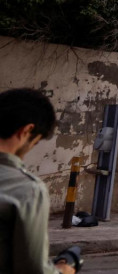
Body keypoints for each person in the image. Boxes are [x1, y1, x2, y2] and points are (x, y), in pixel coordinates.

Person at [0, 88, 75, 274]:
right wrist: (64, 271)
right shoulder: (27, 189)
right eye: (35, 142)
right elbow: (33, 269)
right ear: (26, 131)